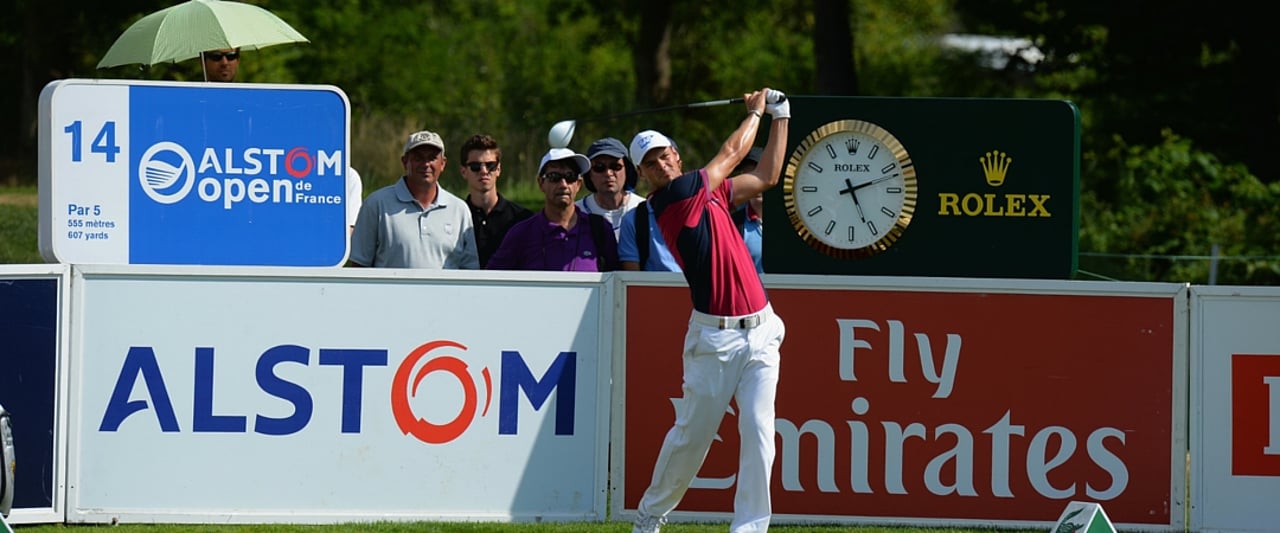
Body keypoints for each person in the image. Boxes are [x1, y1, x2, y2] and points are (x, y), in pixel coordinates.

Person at [629, 88, 790, 533]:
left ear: (676, 155)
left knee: (759, 434)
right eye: (650, 163)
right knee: (692, 439)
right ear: (643, 175)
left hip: (762, 331)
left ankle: (750, 529)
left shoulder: (711, 193)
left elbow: (768, 175)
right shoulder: (674, 199)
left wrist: (781, 116)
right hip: (715, 340)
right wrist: (756, 112)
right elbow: (732, 153)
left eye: (664, 156)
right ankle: (649, 516)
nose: (661, 165)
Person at [348, 130, 479, 269]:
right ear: (405, 162)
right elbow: (359, 266)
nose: (426, 164)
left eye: (432, 158)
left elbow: (470, 270)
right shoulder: (376, 204)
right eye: (418, 158)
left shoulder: (459, 209)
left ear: (442, 164)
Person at [487, 148, 619, 272]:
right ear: (541, 183)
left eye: (570, 176)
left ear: (578, 184)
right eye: (554, 177)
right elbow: (492, 279)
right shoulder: (521, 234)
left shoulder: (600, 230)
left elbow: (616, 280)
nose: (563, 184)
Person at [459, 133, 533, 268]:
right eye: (475, 166)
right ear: (463, 171)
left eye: (490, 165)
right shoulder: (456, 218)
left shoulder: (522, 218)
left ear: (498, 169)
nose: (484, 171)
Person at [576, 137, 646, 240]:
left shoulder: (644, 210)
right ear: (589, 174)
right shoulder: (575, 214)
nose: (608, 173)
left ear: (627, 170)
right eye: (599, 167)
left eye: (615, 166)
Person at [731, 147, 765, 273]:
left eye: (760, 175)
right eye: (749, 176)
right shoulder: (733, 225)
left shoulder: (791, 221)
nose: (755, 184)